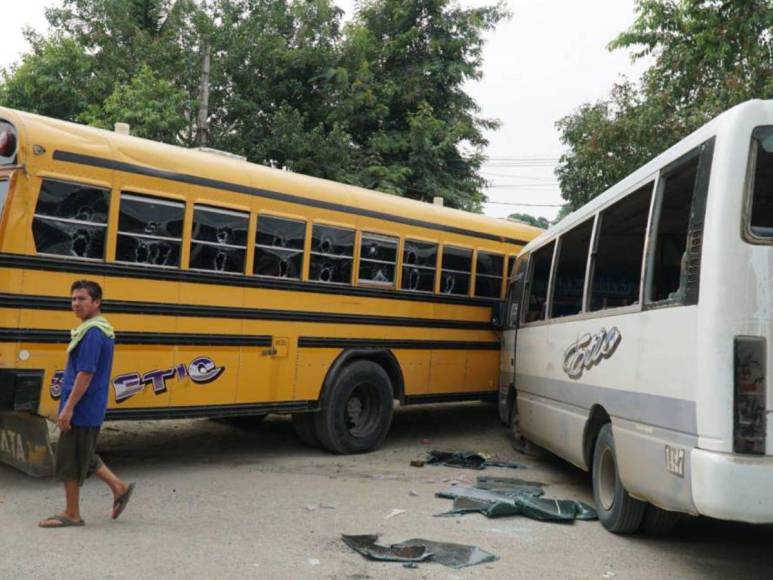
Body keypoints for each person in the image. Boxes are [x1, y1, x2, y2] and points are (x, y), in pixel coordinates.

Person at [38, 280, 135, 528]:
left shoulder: (93, 333)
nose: (76, 304)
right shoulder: (93, 329)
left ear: (97, 302)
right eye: (73, 299)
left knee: (70, 457)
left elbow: (86, 373)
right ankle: (119, 487)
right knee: (82, 453)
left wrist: (68, 408)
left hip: (82, 406)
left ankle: (72, 514)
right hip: (85, 404)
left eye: (82, 299)